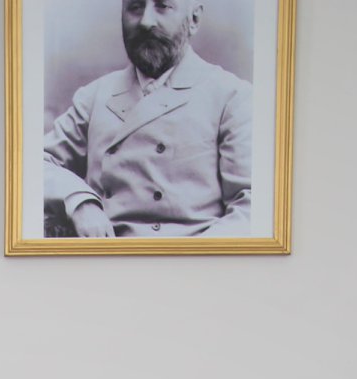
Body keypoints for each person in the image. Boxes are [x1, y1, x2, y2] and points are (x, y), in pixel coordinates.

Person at [42, 0, 253, 238]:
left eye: (162, 6)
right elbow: (35, 164)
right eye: (135, 7)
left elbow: (250, 205)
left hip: (191, 254)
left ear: (194, 19)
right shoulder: (95, 96)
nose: (145, 22)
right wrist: (79, 200)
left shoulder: (230, 96)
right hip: (106, 254)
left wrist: (196, 255)